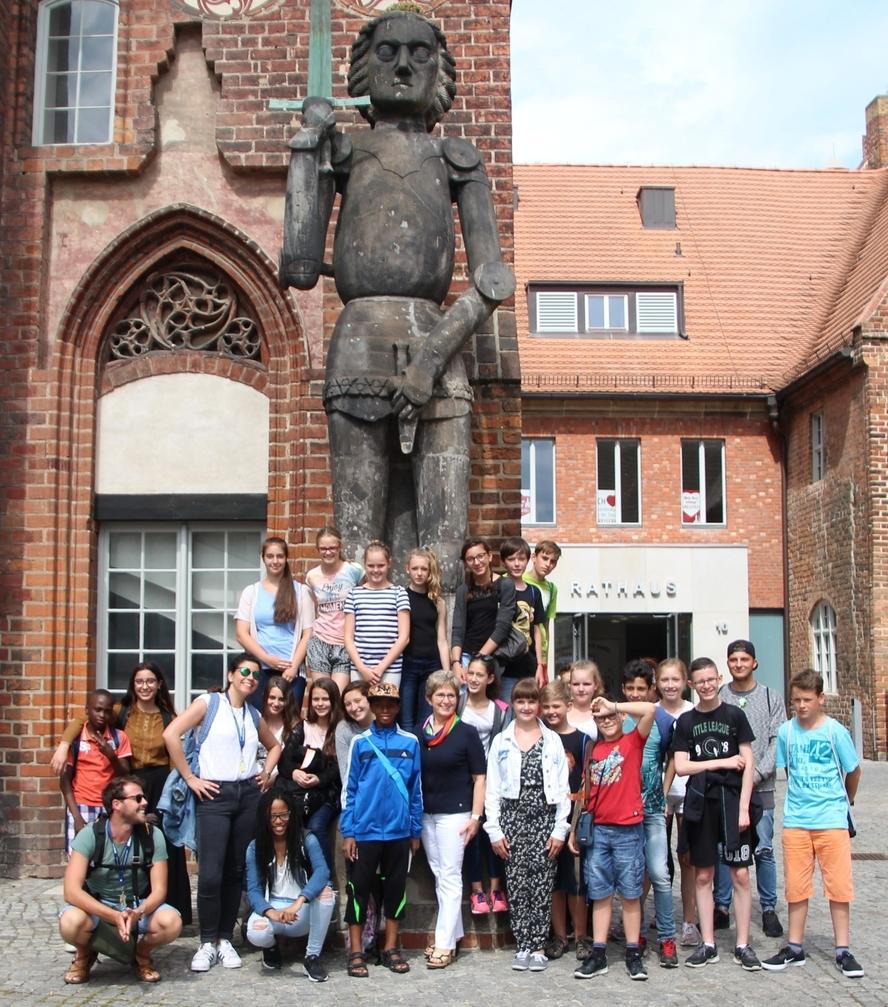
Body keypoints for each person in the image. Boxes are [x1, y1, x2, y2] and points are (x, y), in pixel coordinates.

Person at [280, 9, 514, 593]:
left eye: (420, 54)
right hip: (360, 342)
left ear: (440, 71)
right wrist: (310, 155)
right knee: (358, 543)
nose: (406, 65)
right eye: (389, 54)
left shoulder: (456, 159)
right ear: (363, 71)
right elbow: (301, 266)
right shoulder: (348, 154)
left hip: (439, 340)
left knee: (443, 541)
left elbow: (493, 278)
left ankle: (443, 669)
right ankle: (357, 675)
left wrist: (432, 358)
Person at [163, 652, 282, 973]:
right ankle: (206, 940)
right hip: (214, 794)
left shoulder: (253, 714)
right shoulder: (208, 703)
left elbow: (275, 746)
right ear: (231, 674)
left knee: (235, 871)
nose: (250, 678)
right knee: (211, 872)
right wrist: (190, 778)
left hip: (246, 795)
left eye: (256, 675)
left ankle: (224, 938)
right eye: (245, 671)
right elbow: (170, 734)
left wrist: (267, 773)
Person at [52, 664, 190, 923]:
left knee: (165, 844)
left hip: (161, 784)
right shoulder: (120, 711)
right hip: (129, 783)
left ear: (159, 684)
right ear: (133, 685)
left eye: (151, 681)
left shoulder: (169, 715)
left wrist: (178, 787)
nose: (145, 686)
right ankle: (108, 908)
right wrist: (62, 745)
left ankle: (168, 908)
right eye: (140, 681)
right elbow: (84, 718)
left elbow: (177, 749)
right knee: (128, 842)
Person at [762, 669, 863, 978]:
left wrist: (846, 800)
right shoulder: (787, 733)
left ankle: (843, 949)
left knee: (838, 887)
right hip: (796, 821)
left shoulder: (835, 731)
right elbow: (788, 771)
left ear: (821, 699)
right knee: (796, 887)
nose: (801, 706)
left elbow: (853, 770)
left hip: (831, 820)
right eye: (796, 700)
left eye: (807, 700)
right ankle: (794, 946)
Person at [671, 657, 761, 971]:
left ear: (718, 678)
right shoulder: (686, 722)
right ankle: (708, 943)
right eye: (700, 681)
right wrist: (721, 762)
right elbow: (682, 766)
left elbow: (747, 763)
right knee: (704, 874)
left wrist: (744, 808)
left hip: (733, 800)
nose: (707, 686)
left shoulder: (735, 715)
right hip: (700, 803)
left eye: (711, 679)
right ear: (692, 685)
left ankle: (743, 943)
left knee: (739, 874)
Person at [59, 775, 182, 984]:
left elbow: (160, 890)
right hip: (98, 905)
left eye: (143, 798)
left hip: (136, 905)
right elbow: (71, 891)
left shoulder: (153, 835)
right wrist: (113, 915)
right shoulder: (91, 835)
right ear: (116, 804)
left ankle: (141, 954)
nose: (144, 802)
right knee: (70, 923)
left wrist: (138, 913)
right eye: (137, 798)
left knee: (172, 922)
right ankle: (84, 956)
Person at [485, 678, 570, 973]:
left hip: (544, 819)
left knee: (543, 884)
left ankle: (538, 945)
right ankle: (523, 943)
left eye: (531, 701)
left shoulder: (552, 740)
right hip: (513, 819)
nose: (526, 707)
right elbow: (492, 789)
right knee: (518, 884)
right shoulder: (502, 740)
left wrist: (560, 828)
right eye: (520, 701)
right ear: (514, 703)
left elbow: (562, 788)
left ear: (539, 706)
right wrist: (494, 830)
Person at [570, 693, 656, 981]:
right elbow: (586, 795)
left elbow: (649, 710)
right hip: (599, 831)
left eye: (611, 717)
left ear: (620, 718)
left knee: (631, 894)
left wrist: (614, 705)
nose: (606, 721)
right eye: (600, 718)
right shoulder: (592, 749)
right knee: (600, 893)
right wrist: (574, 831)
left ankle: (633, 952)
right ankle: (599, 952)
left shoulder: (632, 741)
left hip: (628, 830)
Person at [340, 682, 423, 977]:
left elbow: (416, 790)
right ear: (372, 707)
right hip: (365, 832)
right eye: (379, 704)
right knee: (358, 891)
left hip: (399, 832)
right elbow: (349, 790)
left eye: (390, 704)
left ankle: (390, 948)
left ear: (398, 707)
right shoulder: (360, 742)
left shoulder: (410, 742)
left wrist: (414, 830)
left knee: (395, 892)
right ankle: (356, 951)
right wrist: (348, 831)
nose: (384, 709)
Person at [714, 639, 786, 938]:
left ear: (754, 662)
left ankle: (768, 908)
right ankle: (722, 905)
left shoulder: (771, 697)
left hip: (762, 786)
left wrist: (755, 774)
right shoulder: (720, 696)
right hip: (728, 787)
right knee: (723, 848)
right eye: (733, 660)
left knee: (764, 849)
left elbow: (776, 741)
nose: (739, 664)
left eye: (744, 659)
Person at [418, 670, 486, 968]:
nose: (446, 700)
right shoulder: (420, 732)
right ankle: (455, 934)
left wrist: (476, 816)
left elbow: (480, 777)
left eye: (451, 695)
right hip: (427, 814)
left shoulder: (466, 732)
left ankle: (443, 943)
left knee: (450, 876)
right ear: (429, 699)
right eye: (440, 695)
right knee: (440, 874)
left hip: (455, 814)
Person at [621, 660, 679, 968]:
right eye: (630, 688)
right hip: (625, 813)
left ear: (651, 690)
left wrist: (666, 791)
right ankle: (637, 933)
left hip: (654, 809)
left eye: (640, 689)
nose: (634, 694)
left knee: (660, 874)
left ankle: (667, 937)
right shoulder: (616, 718)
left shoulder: (663, 720)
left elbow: (671, 757)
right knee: (634, 878)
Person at [244, 788, 335, 982]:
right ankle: (271, 948)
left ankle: (312, 958)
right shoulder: (255, 847)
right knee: (257, 932)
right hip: (273, 909)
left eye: (283, 815)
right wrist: (271, 912)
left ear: (291, 814)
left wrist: (300, 901)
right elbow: (253, 890)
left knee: (327, 893)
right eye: (272, 816)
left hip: (300, 911)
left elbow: (322, 872)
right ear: (264, 817)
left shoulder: (306, 839)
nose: (278, 821)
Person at [540, 680, 590, 962]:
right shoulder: (540, 737)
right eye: (545, 706)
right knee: (555, 880)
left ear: (568, 706)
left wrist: (576, 823)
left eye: (555, 706)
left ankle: (581, 935)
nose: (550, 711)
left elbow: (586, 783)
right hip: (547, 815)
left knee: (576, 881)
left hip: (574, 815)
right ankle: (559, 935)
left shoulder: (582, 740)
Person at [458, 654, 512, 914]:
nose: (474, 679)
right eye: (471, 673)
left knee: (494, 831)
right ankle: (477, 890)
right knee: (471, 834)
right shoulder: (458, 704)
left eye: (480, 675)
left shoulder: (500, 710)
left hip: (492, 780)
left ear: (490, 678)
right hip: (463, 780)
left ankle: (496, 887)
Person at [236, 536, 314, 711]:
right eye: (270, 556)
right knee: (258, 724)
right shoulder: (251, 592)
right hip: (259, 670)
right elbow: (241, 634)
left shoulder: (302, 592)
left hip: (290, 672)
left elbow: (308, 634)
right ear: (263, 558)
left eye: (279, 556)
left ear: (286, 558)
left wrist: (294, 666)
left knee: (289, 726)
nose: (275, 561)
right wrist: (266, 659)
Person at [278, 677, 343, 869]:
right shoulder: (303, 727)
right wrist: (295, 773)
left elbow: (340, 766)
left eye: (325, 699)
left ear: (333, 701)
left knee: (315, 827)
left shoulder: (340, 729)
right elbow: (285, 760)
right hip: (299, 792)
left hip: (327, 794)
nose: (320, 704)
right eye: (316, 699)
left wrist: (319, 779)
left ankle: (325, 880)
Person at [657, 657, 699, 947]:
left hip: (687, 790)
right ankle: (661, 918)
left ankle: (688, 921)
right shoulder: (651, 712)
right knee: (657, 860)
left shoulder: (694, 712)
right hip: (656, 794)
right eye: (664, 680)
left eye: (675, 680)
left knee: (688, 860)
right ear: (656, 684)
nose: (670, 685)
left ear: (685, 682)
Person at [60, 689, 132, 852]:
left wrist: (111, 755)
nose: (102, 715)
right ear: (87, 710)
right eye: (97, 710)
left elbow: (126, 775)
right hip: (81, 805)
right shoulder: (76, 738)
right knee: (79, 858)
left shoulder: (119, 737)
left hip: (110, 805)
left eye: (107, 711)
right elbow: (65, 780)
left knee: (108, 856)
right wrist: (76, 816)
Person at [344, 540, 410, 688]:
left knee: (385, 710)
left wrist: (381, 668)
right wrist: (362, 668)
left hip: (390, 669)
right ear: (364, 565)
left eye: (380, 565)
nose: (375, 570)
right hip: (359, 668)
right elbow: (348, 638)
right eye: (371, 565)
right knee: (360, 709)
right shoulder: (354, 594)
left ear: (389, 563)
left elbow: (404, 637)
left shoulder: (399, 593)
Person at [305, 526, 364, 693]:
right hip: (320, 641)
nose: (328, 552)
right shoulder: (312, 576)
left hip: (345, 642)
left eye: (332, 548)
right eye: (323, 548)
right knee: (323, 695)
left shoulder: (354, 571)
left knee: (338, 696)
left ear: (339, 547)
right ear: (317, 549)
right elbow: (315, 609)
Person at [450, 538, 517, 681]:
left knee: (492, 701)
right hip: (467, 656)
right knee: (463, 700)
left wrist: (478, 661)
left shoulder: (505, 585)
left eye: (480, 556)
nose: (476, 562)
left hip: (494, 656)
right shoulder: (463, 590)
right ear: (465, 563)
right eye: (470, 559)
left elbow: (502, 628)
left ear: (490, 556)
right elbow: (458, 629)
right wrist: (456, 663)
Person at [400, 547, 450, 734]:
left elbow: (442, 639)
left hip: (431, 665)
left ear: (430, 571)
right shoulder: (401, 597)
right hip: (408, 664)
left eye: (424, 569)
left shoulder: (438, 602)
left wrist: (446, 673)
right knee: (406, 719)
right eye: (415, 569)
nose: (419, 573)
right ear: (407, 569)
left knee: (427, 719)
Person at [499, 536, 546, 701]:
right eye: (511, 559)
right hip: (504, 665)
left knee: (527, 709)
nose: (517, 564)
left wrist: (540, 664)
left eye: (521, 559)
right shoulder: (498, 589)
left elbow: (537, 629)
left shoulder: (534, 592)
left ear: (528, 560)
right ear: (504, 562)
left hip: (528, 663)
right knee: (505, 713)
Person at [522, 540, 561, 683]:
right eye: (544, 558)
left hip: (539, 655)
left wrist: (544, 661)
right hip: (519, 648)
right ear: (534, 557)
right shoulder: (516, 579)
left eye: (553, 562)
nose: (548, 564)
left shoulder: (551, 588)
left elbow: (546, 626)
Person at [256, 675, 299, 778]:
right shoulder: (255, 720)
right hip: (251, 784)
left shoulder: (295, 728)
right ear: (265, 697)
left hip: (279, 783)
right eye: (272, 698)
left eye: (281, 699)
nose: (276, 703)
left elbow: (293, 765)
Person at [566, 660, 604, 740]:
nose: (581, 689)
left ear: (596, 685)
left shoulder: (603, 713)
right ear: (569, 685)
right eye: (576, 684)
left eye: (586, 684)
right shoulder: (561, 712)